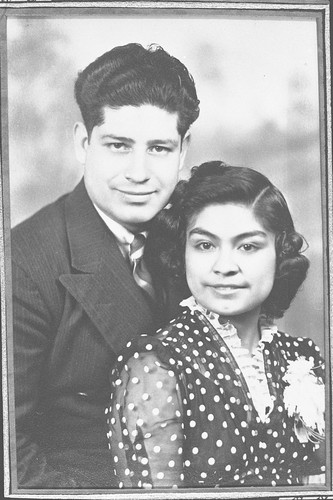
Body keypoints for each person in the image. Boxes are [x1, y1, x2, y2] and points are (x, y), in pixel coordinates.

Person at [11, 43, 200, 488]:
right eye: (118, 145)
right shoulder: (23, 263)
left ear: (183, 151)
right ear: (83, 142)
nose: (139, 173)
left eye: (159, 148)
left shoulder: (198, 236)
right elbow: (10, 454)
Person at [107, 161, 325, 489]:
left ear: (280, 253)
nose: (224, 266)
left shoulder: (302, 357)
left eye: (248, 246)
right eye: (205, 245)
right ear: (182, 253)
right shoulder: (157, 363)